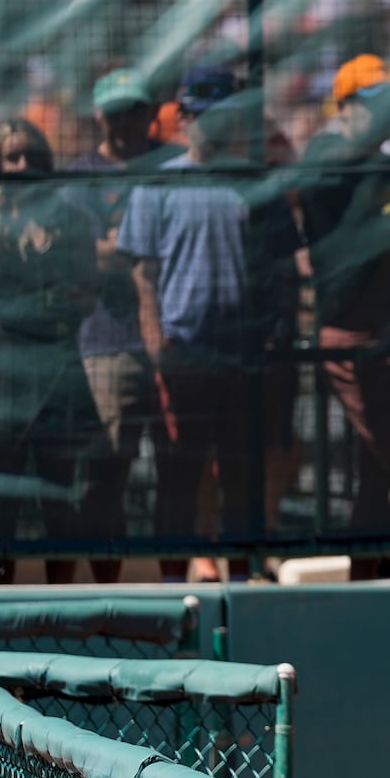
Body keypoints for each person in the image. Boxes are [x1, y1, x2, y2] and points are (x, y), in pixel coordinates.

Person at [119, 68, 299, 582]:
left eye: (215, 116)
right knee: (179, 475)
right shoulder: (158, 183)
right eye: (195, 114)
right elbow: (143, 274)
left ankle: (240, 582)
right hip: (184, 354)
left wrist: (269, 336)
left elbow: (283, 270)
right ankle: (175, 588)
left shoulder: (255, 182)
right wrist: (159, 345)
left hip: (243, 359)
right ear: (183, 117)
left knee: (242, 476)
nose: (204, 125)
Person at [300, 53, 390, 579]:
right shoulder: (328, 157)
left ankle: (379, 578)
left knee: (379, 470)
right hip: (354, 333)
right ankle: (388, 574)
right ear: (348, 107)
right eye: (377, 105)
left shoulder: (385, 164)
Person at [0, 118, 101, 584]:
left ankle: (62, 599)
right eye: (13, 157)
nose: (24, 166)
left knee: (60, 493)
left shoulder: (71, 220)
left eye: (34, 158)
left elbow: (85, 294)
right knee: (4, 496)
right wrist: (1, 211)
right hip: (2, 370)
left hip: (57, 368)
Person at [63, 67, 176, 583]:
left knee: (179, 471)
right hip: (107, 344)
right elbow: (84, 257)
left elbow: (170, 248)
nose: (127, 121)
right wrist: (141, 249)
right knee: (108, 471)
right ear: (99, 116)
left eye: (137, 109)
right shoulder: (79, 179)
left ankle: (174, 586)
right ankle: (104, 593)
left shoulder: (171, 166)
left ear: (150, 113)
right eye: (117, 111)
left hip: (174, 341)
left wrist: (119, 246)